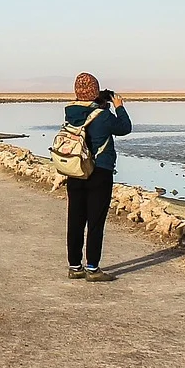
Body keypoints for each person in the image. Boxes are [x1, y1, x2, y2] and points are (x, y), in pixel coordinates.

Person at [64, 72, 132, 282]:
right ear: (95, 92)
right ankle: (93, 268)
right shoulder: (102, 116)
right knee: (95, 221)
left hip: (75, 169)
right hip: (99, 172)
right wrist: (118, 106)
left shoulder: (71, 113)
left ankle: (75, 266)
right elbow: (124, 128)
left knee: (75, 219)